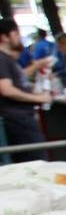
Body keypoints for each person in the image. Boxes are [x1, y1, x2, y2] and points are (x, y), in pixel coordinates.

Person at [0, 17, 55, 161]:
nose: (19, 37)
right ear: (5, 37)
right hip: (18, 119)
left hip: (20, 118)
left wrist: (37, 66)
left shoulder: (7, 59)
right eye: (16, 34)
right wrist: (38, 98)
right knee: (37, 161)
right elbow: (7, 89)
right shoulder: (1, 59)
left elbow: (17, 80)